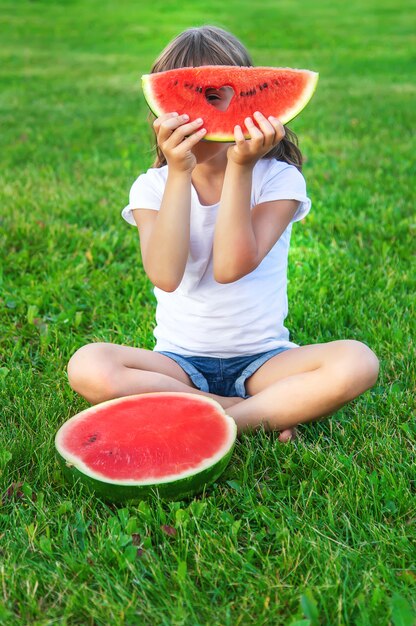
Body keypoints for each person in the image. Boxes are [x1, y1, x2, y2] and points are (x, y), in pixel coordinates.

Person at [67, 26, 379, 442]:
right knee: (88, 365)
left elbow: (232, 265)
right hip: (178, 365)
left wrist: (241, 166)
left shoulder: (278, 180)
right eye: (184, 101)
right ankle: (250, 417)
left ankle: (206, 415)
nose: (200, 116)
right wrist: (179, 172)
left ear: (251, 99)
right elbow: (165, 274)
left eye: (214, 98)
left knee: (358, 361)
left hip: (264, 363)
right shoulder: (152, 186)